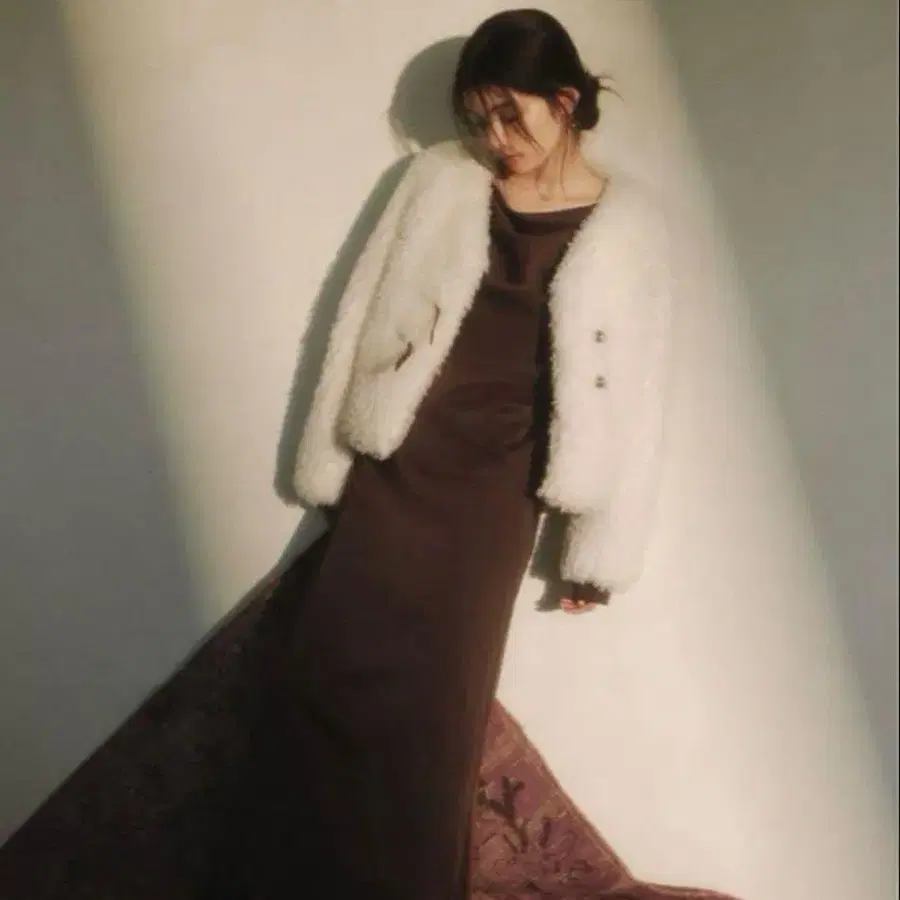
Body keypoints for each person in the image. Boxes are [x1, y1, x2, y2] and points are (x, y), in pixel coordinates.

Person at [237, 9, 672, 899]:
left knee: (436, 714)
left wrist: (597, 552)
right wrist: (329, 462)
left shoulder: (630, 227)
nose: (495, 139)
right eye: (479, 119)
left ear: (564, 101)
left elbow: (638, 395)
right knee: (327, 675)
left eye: (511, 115)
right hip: (398, 462)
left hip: (497, 487)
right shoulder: (438, 182)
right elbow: (361, 315)